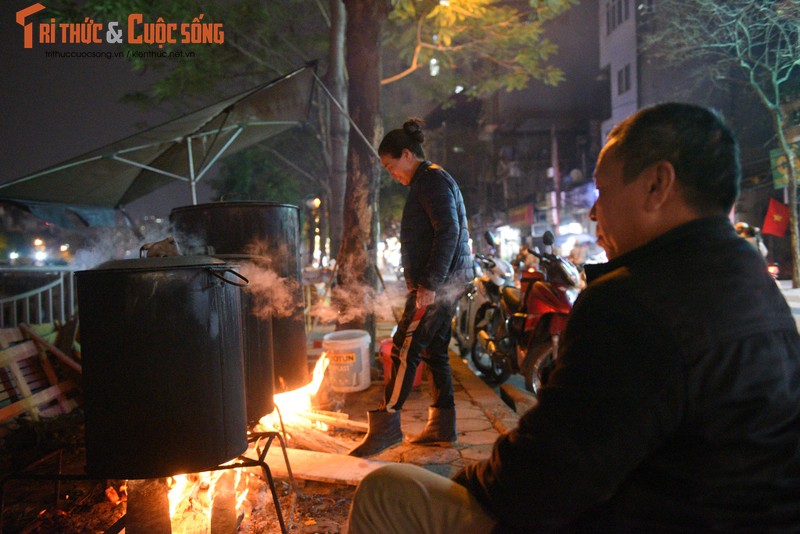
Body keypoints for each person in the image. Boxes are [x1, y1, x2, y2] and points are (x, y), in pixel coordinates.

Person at [347, 103, 800, 531]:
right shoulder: (754, 282)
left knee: (387, 490)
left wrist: (465, 484)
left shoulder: (629, 301)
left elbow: (542, 477)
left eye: (602, 190)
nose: (592, 210)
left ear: (657, 186)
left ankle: (395, 425)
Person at [349, 118, 473, 457]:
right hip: (446, 281)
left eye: (391, 166)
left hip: (438, 284)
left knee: (405, 347)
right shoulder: (431, 179)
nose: (392, 174)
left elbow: (448, 231)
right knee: (434, 351)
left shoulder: (430, 181)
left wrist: (429, 284)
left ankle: (387, 425)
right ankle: (442, 427)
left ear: (407, 154)